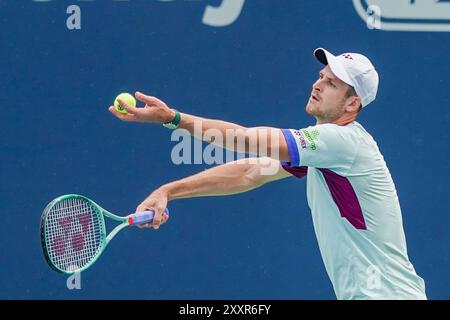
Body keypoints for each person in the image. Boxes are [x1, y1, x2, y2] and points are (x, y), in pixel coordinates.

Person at [108, 48, 427, 300]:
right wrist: (169, 190)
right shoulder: (324, 151)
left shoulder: (341, 142)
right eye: (321, 76)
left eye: (331, 84)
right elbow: (250, 171)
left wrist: (174, 118)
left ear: (351, 104)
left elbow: (246, 138)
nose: (317, 84)